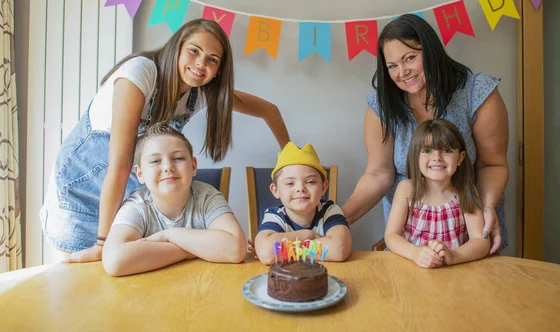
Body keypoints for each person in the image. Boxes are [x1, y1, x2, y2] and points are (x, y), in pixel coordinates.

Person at [40, 19, 290, 263]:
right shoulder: (141, 72)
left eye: (213, 60)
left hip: (124, 208)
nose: (201, 63)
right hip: (78, 200)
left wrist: (289, 157)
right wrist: (103, 243)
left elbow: (270, 110)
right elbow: (121, 164)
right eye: (194, 51)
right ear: (177, 47)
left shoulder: (199, 94)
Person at [341, 14, 508, 254]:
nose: (403, 72)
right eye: (392, 66)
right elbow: (378, 174)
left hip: (468, 235)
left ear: (430, 51)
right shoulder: (382, 104)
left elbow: (493, 164)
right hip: (410, 246)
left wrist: (487, 207)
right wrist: (338, 220)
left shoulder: (476, 92)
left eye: (410, 58)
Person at [102, 123, 246, 276]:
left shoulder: (207, 197)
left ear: (193, 166)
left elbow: (236, 249)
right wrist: (192, 249)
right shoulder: (137, 206)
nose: (168, 167)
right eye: (155, 161)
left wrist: (169, 235)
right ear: (140, 174)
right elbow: (115, 261)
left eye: (178, 158)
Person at [385, 119, 489, 268]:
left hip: (455, 274)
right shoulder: (406, 189)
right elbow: (391, 236)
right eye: (427, 151)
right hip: (411, 271)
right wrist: (415, 254)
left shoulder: (466, 191)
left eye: (446, 150)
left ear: (460, 158)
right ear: (417, 156)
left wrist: (453, 256)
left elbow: (481, 242)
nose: (437, 157)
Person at [254, 142, 351, 264]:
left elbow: (339, 249)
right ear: (275, 190)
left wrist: (283, 251)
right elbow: (267, 253)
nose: (300, 188)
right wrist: (308, 235)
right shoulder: (275, 215)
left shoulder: (329, 210)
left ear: (323, 187)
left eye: (310, 182)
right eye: (290, 183)